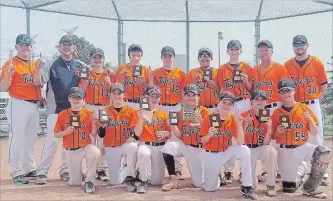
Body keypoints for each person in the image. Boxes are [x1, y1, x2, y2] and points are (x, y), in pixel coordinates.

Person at [36, 34, 88, 184]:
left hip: (74, 110)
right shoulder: (51, 64)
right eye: (63, 44)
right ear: (59, 47)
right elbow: (40, 82)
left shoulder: (81, 66)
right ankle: (42, 172)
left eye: (69, 44)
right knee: (51, 141)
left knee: (70, 141)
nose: (66, 47)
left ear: (74, 48)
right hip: (55, 110)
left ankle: (66, 171)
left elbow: (86, 82)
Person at [271, 78, 331, 199]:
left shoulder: (304, 108)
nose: (286, 94)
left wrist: (309, 119)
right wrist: (277, 131)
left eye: (288, 90)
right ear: (280, 94)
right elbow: (273, 136)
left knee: (323, 152)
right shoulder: (277, 113)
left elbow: (314, 132)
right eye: (282, 92)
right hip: (285, 152)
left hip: (301, 147)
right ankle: (300, 170)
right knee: (289, 188)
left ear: (293, 91)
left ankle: (311, 187)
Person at [284, 35, 329, 185]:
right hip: (296, 104)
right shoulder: (287, 65)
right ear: (293, 47)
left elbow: (323, 85)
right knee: (298, 135)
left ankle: (321, 171)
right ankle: (301, 169)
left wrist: (316, 100)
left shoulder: (316, 62)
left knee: (317, 136)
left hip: (312, 103)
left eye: (302, 44)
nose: (299, 46)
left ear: (307, 45)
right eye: (296, 44)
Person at [0, 34, 43, 184]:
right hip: (18, 103)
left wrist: (38, 70)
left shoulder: (33, 63)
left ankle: (29, 168)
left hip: (33, 105)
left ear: (31, 47)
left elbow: (37, 83)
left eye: (27, 45)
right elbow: (2, 87)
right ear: (16, 47)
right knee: (16, 138)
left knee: (30, 139)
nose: (25, 47)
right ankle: (16, 171)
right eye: (22, 45)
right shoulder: (10, 63)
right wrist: (8, 75)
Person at [200, 91, 258, 200]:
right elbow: (202, 141)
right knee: (209, 188)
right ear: (218, 103)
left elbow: (240, 142)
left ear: (232, 106)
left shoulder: (233, 119)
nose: (226, 105)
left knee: (244, 150)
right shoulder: (209, 117)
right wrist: (209, 135)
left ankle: (247, 186)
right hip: (211, 155)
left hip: (226, 153)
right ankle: (217, 177)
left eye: (229, 103)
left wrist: (240, 125)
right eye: (224, 102)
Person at [251, 40, 291, 182]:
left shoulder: (280, 68)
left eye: (266, 49)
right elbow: (252, 89)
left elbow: (286, 90)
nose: (263, 52)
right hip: (262, 107)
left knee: (278, 136)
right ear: (258, 52)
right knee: (264, 136)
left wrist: (286, 107)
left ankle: (279, 170)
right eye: (261, 49)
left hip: (276, 105)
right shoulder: (254, 70)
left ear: (272, 51)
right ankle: (267, 170)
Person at [216, 40, 254, 184]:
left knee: (246, 132)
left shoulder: (248, 68)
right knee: (229, 134)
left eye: (236, 48)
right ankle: (228, 170)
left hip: (244, 101)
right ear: (227, 51)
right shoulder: (221, 69)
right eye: (231, 48)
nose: (234, 51)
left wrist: (246, 82)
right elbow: (220, 89)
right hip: (229, 103)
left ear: (240, 50)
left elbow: (252, 89)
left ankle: (245, 170)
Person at [161, 84, 210, 191]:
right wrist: (173, 126)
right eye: (188, 95)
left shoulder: (206, 112)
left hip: (201, 149)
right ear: (185, 97)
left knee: (199, 184)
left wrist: (201, 122)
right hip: (186, 146)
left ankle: (215, 175)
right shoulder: (181, 112)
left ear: (198, 97)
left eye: (194, 95)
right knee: (168, 147)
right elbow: (180, 135)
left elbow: (211, 135)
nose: (191, 98)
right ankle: (173, 179)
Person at [53, 87, 100, 193]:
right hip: (72, 150)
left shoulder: (89, 113)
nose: (76, 100)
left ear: (83, 99)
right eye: (73, 97)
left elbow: (93, 134)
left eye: (78, 97)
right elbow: (56, 134)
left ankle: (90, 181)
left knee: (95, 151)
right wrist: (65, 132)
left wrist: (93, 123)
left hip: (85, 146)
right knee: (75, 183)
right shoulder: (63, 114)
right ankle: (79, 175)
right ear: (69, 99)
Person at [96, 82, 138, 191]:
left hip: (125, 145)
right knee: (114, 182)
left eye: (119, 93)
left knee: (133, 147)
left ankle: (130, 176)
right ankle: (125, 170)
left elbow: (137, 130)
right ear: (110, 94)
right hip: (111, 147)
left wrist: (134, 137)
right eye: (114, 93)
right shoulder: (104, 111)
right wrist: (103, 127)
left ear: (124, 94)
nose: (116, 95)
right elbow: (101, 134)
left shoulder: (132, 111)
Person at [79, 48, 112, 182]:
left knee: (103, 139)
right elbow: (80, 92)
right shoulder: (86, 73)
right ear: (91, 60)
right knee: (91, 139)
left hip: (104, 107)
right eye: (95, 58)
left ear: (103, 59)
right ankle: (91, 169)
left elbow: (116, 94)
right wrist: (84, 84)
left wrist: (110, 84)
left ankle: (102, 169)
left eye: (100, 58)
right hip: (90, 106)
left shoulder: (109, 73)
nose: (97, 60)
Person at [153, 46, 186, 179]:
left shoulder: (181, 73)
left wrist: (184, 109)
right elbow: (152, 91)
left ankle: (177, 168)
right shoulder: (155, 73)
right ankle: (157, 167)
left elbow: (183, 92)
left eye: (169, 56)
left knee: (175, 137)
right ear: (161, 57)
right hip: (160, 107)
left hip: (175, 108)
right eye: (165, 56)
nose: (167, 58)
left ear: (174, 57)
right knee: (159, 135)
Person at [134, 85, 172, 194]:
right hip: (145, 145)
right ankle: (142, 180)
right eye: (152, 96)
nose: (155, 99)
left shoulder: (164, 114)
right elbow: (137, 133)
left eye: (157, 96)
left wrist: (167, 133)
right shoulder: (140, 112)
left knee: (157, 182)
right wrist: (141, 119)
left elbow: (171, 135)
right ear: (146, 97)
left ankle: (140, 172)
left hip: (160, 146)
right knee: (143, 154)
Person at [241, 90, 277, 196]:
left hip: (261, 147)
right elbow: (240, 141)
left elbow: (266, 142)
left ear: (266, 102)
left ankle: (270, 184)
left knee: (271, 151)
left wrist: (269, 128)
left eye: (262, 100)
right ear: (251, 101)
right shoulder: (244, 115)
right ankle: (253, 180)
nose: (260, 102)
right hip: (247, 149)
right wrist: (245, 126)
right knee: (251, 185)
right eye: (257, 99)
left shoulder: (268, 117)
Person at [115, 44, 153, 109]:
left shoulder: (146, 70)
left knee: (142, 119)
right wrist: (122, 79)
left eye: (138, 55)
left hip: (142, 102)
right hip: (126, 101)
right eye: (133, 55)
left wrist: (146, 82)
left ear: (141, 55)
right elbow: (117, 88)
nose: (136, 58)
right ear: (129, 56)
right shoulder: (122, 68)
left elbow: (150, 90)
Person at [185, 48, 219, 112]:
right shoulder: (192, 72)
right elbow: (185, 91)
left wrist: (215, 87)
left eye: (207, 55)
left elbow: (224, 91)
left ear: (211, 58)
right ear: (198, 59)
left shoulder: (217, 72)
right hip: (196, 108)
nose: (204, 57)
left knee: (215, 122)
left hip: (214, 107)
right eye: (201, 55)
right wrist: (193, 83)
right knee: (193, 122)